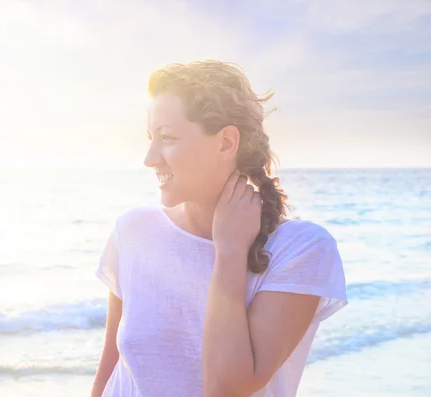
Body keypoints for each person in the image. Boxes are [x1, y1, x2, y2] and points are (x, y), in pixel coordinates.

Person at [91, 60, 348, 397]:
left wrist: (229, 252)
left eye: (167, 137)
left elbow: (227, 388)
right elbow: (111, 366)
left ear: (227, 142)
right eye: (150, 138)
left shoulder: (301, 249)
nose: (150, 158)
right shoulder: (133, 230)